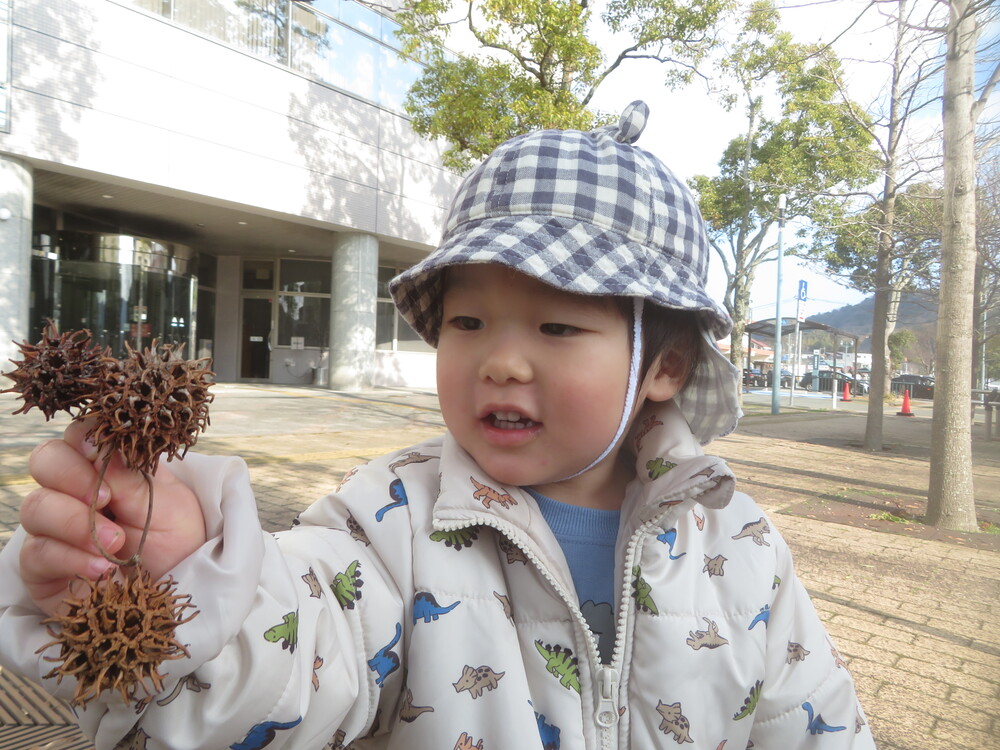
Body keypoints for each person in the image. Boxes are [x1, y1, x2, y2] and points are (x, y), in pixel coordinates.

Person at [0, 102, 876, 749]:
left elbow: (816, 719)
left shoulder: (743, 546)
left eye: (558, 326)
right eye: (468, 322)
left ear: (664, 367)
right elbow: (308, 638)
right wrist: (200, 578)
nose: (501, 360)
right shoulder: (393, 517)